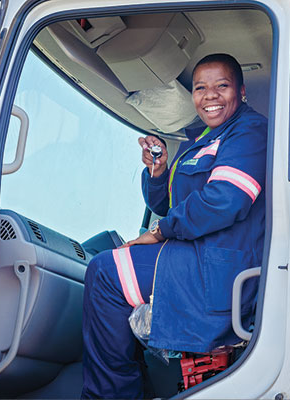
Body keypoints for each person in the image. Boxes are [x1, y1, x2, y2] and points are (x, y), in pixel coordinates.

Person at [81, 53, 267, 399]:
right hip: (196, 258)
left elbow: (225, 200)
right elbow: (168, 207)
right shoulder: (203, 140)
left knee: (105, 273)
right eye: (200, 88)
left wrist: (159, 232)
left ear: (241, 91)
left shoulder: (250, 131)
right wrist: (159, 172)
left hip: (219, 268)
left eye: (221, 86)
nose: (210, 96)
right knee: (107, 271)